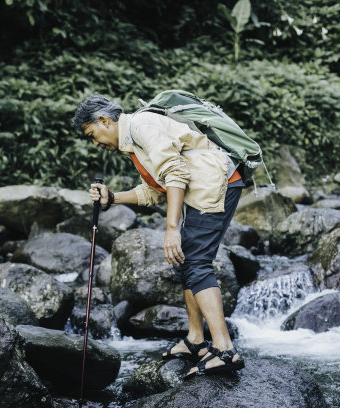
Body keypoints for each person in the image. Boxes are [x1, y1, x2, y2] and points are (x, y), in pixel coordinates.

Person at [73, 94, 245, 378]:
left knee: (195, 261)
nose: (96, 143)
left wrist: (171, 228)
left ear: (104, 121)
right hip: (204, 187)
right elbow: (154, 190)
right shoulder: (133, 142)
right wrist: (112, 198)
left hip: (216, 183)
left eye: (93, 135)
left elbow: (175, 173)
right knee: (185, 260)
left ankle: (225, 350)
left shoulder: (142, 126)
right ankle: (196, 340)